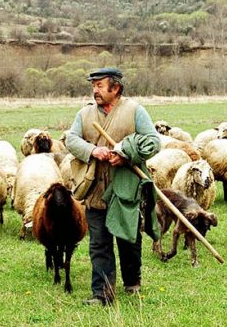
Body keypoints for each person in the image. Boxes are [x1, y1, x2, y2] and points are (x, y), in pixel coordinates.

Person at [66, 67, 161, 306]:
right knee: (99, 244)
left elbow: (153, 141)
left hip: (125, 189)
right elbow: (71, 139)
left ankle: (132, 283)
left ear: (115, 87)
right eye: (93, 85)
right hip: (95, 190)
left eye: (99, 85)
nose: (95, 90)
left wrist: (127, 155)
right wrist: (92, 150)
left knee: (128, 239)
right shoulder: (85, 114)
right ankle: (102, 294)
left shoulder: (134, 111)